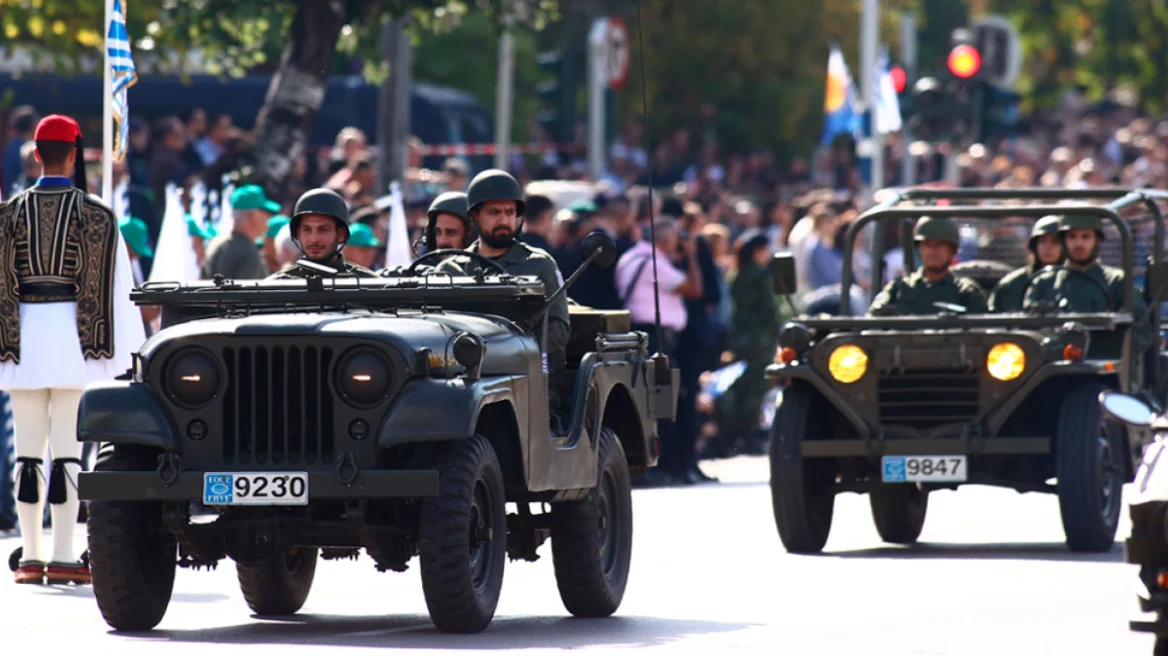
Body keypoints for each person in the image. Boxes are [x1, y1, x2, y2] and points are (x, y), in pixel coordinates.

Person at [0, 114, 145, 584]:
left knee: (27, 454)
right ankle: (63, 555)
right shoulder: (98, 214)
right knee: (67, 454)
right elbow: (117, 290)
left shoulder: (6, 215)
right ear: (75, 152)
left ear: (36, 154)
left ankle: (30, 556)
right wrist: (124, 353)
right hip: (75, 344)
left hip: (19, 342)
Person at [437, 170, 570, 418]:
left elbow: (559, 329)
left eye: (510, 213)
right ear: (474, 216)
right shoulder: (450, 269)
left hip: (527, 386)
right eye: (494, 213)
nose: (504, 220)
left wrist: (504, 348)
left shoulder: (539, 264)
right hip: (460, 387)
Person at [868, 216, 989, 316]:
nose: (932, 251)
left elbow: (983, 334)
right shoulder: (899, 288)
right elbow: (872, 321)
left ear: (952, 251)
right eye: (927, 244)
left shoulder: (966, 292)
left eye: (939, 245)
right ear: (919, 248)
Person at [267, 188, 377, 279]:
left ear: (341, 234)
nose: (314, 239)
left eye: (323, 229)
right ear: (298, 234)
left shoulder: (368, 284)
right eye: (307, 230)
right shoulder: (275, 286)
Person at [989, 215, 1065, 312]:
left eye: (1055, 242)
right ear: (1034, 245)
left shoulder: (1072, 283)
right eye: (1042, 241)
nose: (1048, 247)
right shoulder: (1012, 284)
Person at [200, 185, 273, 280]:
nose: (268, 219)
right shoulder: (247, 251)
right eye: (266, 213)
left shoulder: (217, 243)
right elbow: (247, 293)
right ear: (254, 216)